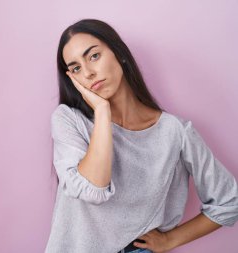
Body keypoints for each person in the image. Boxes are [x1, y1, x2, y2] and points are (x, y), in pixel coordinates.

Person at [45, 18, 238, 253]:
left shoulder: (174, 132)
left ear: (119, 54)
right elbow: (92, 189)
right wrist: (102, 112)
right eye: (76, 68)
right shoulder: (69, 120)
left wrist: (170, 240)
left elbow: (228, 202)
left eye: (94, 56)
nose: (88, 72)